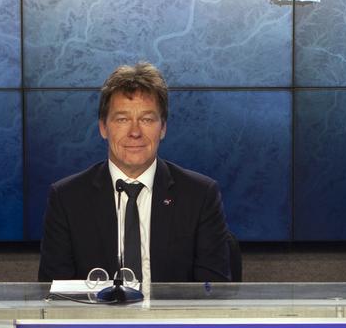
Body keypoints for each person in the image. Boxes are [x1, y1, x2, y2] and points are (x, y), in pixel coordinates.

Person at [37, 61, 234, 285]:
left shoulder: (200, 195)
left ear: (163, 128)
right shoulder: (67, 198)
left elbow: (213, 293)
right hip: (96, 309)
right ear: (103, 127)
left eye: (146, 119)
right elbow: (54, 292)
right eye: (122, 119)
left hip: (171, 310)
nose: (135, 132)